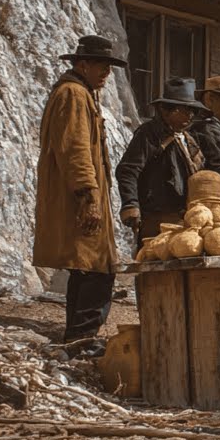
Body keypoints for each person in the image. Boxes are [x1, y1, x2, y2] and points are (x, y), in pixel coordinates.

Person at [33, 35, 125, 345]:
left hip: (84, 196)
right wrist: (88, 196)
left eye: (109, 68)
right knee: (96, 268)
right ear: (82, 64)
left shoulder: (80, 92)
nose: (106, 74)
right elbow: (75, 150)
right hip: (81, 198)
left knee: (86, 267)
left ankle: (76, 336)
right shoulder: (73, 93)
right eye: (101, 66)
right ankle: (82, 337)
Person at [115, 77, 206, 246]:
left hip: (184, 218)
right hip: (156, 218)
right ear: (166, 110)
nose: (190, 115)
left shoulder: (188, 140)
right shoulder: (149, 134)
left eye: (193, 111)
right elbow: (128, 170)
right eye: (184, 110)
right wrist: (131, 204)